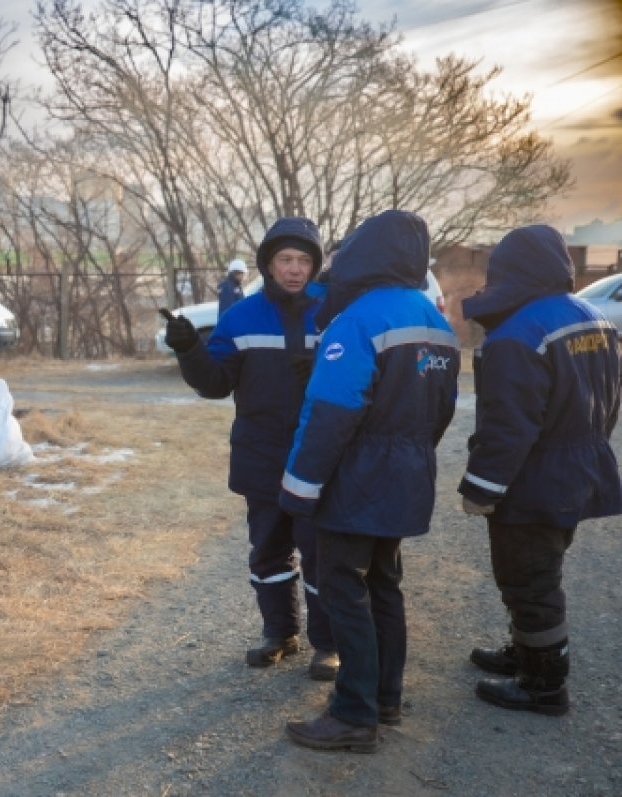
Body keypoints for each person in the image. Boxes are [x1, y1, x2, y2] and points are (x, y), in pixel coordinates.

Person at [278, 209, 459, 753]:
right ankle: (385, 698)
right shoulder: (435, 320)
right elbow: (443, 412)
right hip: (407, 474)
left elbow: (331, 411)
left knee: (343, 590)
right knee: (384, 585)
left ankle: (353, 713)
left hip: (355, 480)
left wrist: (299, 486)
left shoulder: (357, 321)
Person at [162, 217, 339, 681]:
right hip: (261, 452)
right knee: (268, 550)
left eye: (304, 260)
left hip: (320, 455)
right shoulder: (241, 316)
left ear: (316, 264)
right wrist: (189, 352)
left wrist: (319, 372)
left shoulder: (336, 310)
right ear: (268, 264)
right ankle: (279, 633)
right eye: (285, 259)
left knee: (320, 552)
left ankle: (329, 645)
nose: (295, 269)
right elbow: (216, 384)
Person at [458, 224, 621, 716]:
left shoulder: (517, 336)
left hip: (533, 481)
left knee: (528, 579)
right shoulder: (595, 318)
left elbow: (508, 426)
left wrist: (481, 487)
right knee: (542, 569)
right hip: (579, 469)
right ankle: (528, 651)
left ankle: (543, 683)